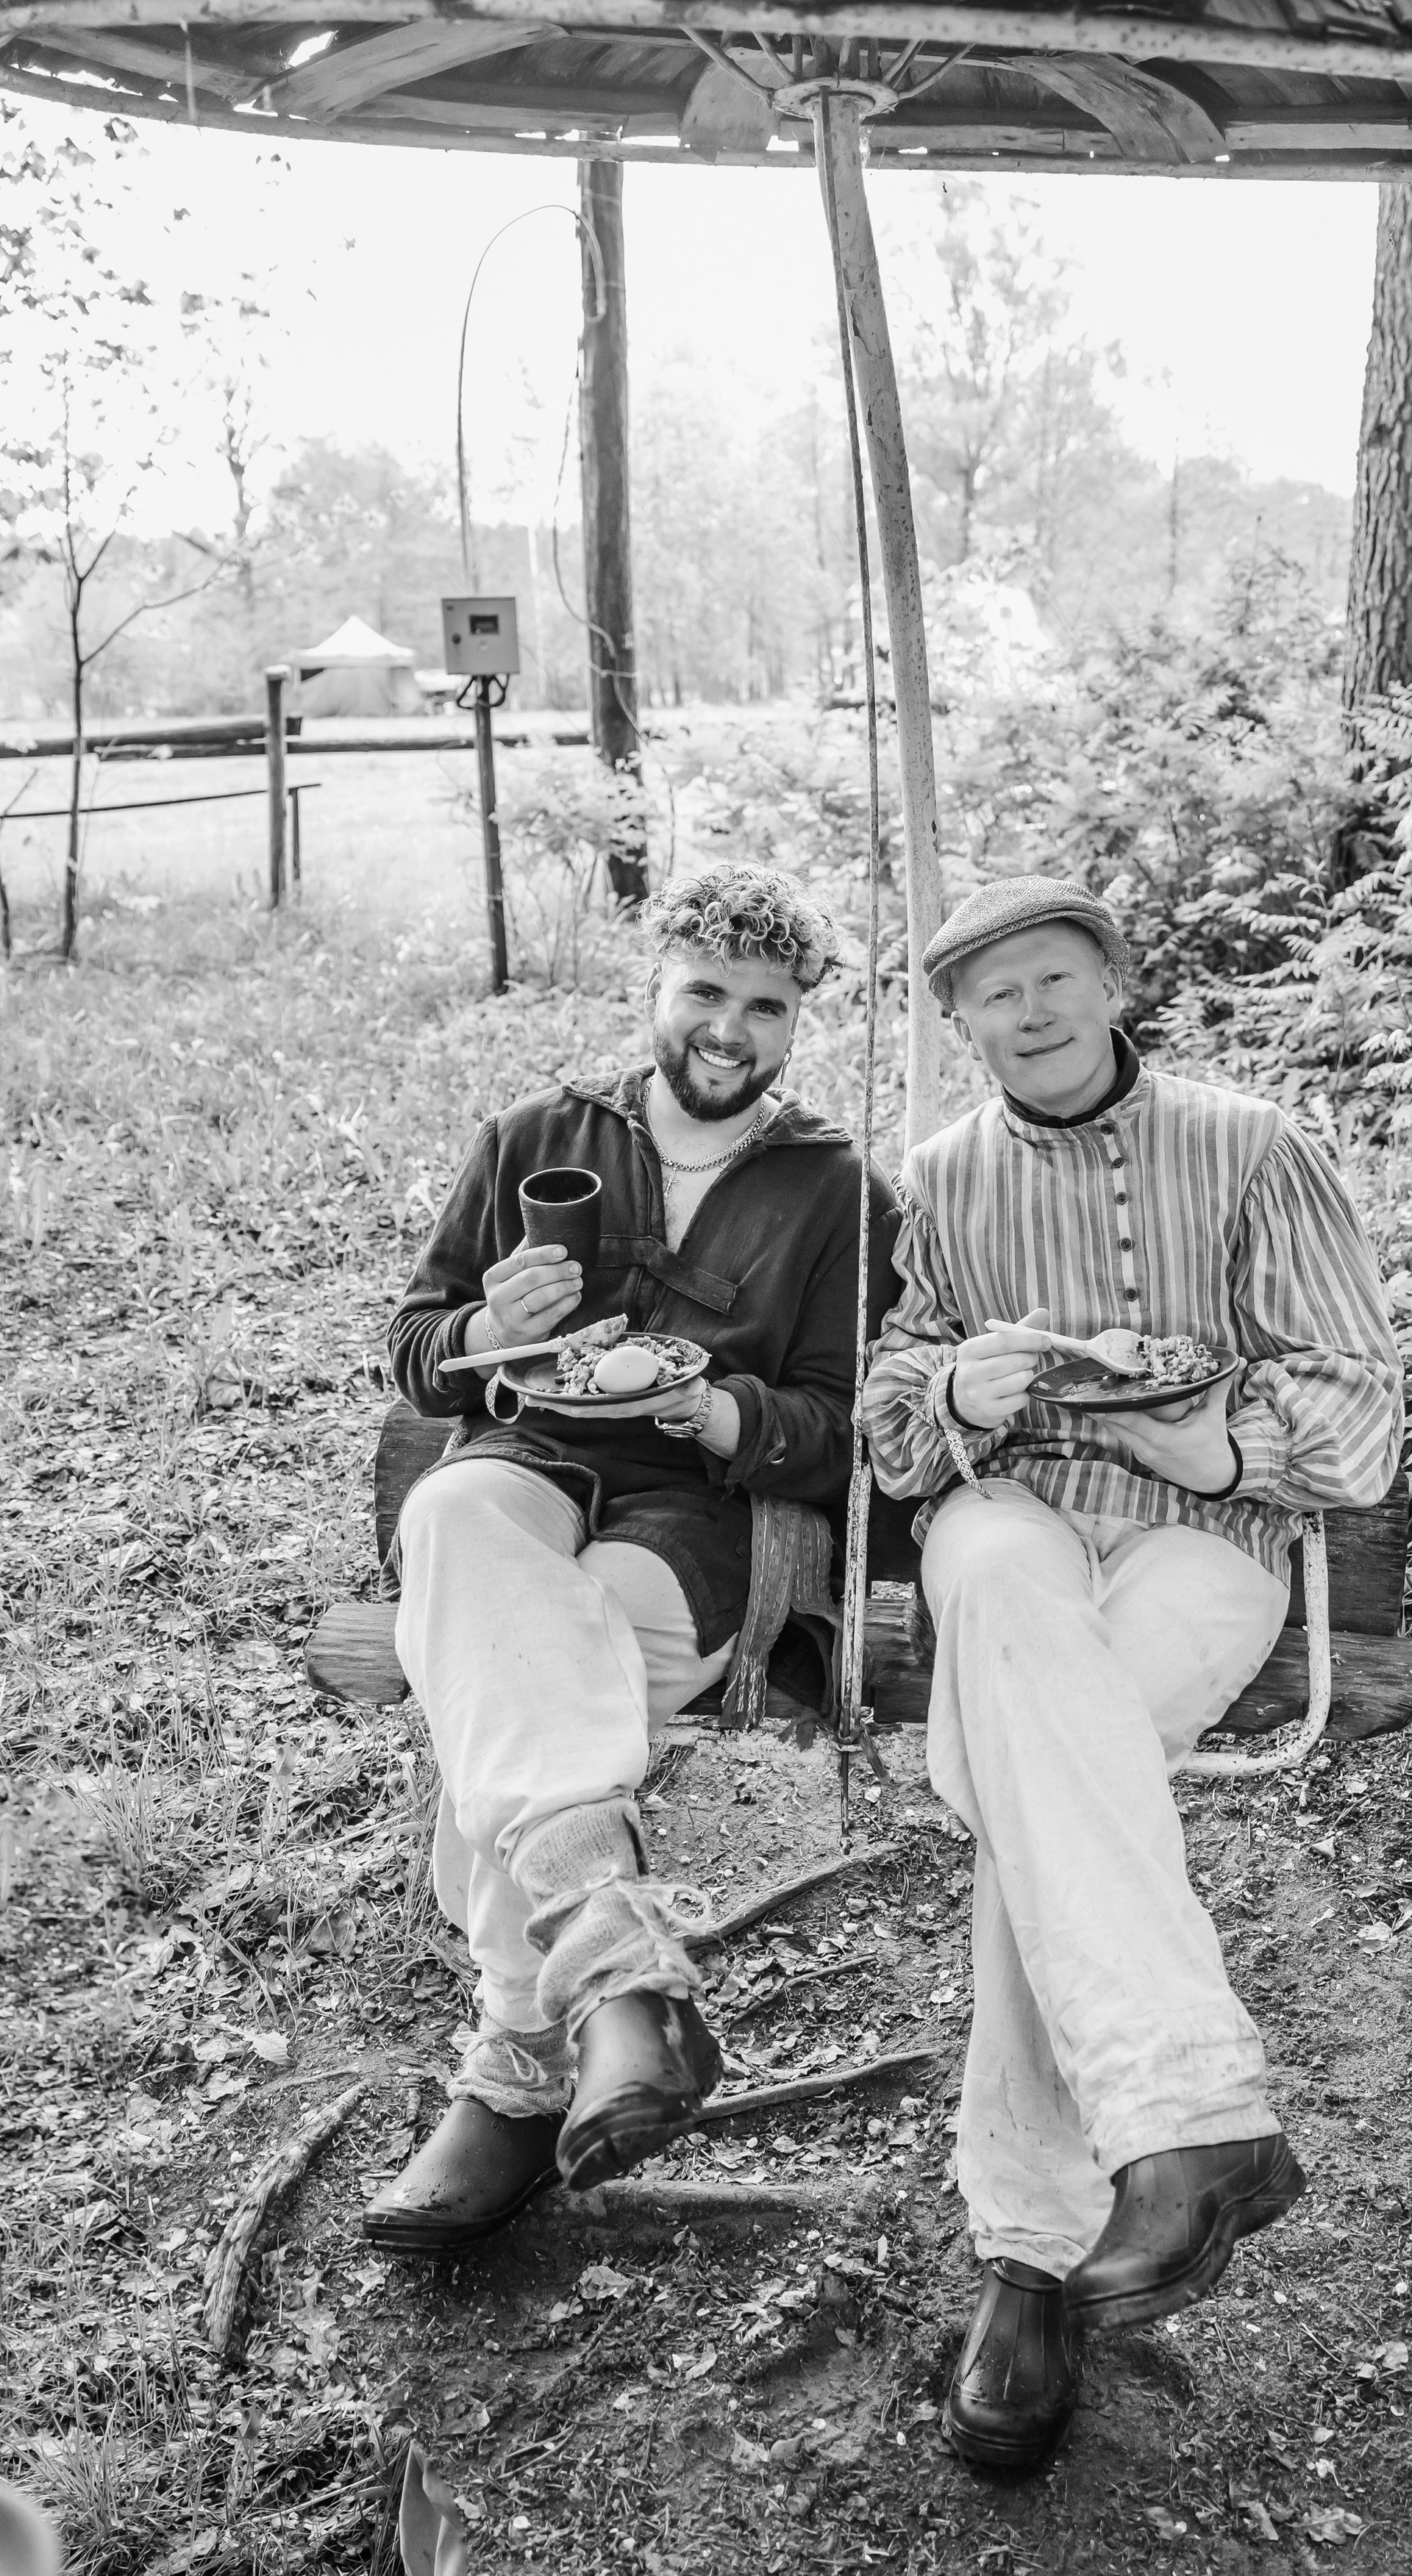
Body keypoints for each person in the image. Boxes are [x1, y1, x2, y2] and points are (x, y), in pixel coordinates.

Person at [863, 875, 1401, 2470]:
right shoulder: (940, 1182)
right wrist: (955, 1388)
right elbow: (891, 1429)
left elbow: (1357, 1394)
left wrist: (1221, 1442)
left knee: (1029, 1783)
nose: (1022, 1014)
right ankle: (1186, 2117)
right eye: (987, 996)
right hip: (1006, 1514)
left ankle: (1026, 2257)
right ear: (956, 1026)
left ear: (1111, 982)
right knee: (1018, 1631)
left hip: (1201, 1535)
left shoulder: (1251, 1144)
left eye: (1049, 979)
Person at [366, 863, 897, 2255]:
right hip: (528, 1465)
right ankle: (614, 1983)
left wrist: (722, 1409)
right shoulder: (539, 1132)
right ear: (656, 989)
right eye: (706, 994)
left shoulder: (839, 1189)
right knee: (454, 1524)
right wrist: (487, 1332)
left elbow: (846, 1429)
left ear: (801, 1024)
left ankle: (518, 2066)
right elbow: (418, 1355)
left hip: (707, 1522)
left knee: (538, 1662)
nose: (729, 1031)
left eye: (765, 1008)